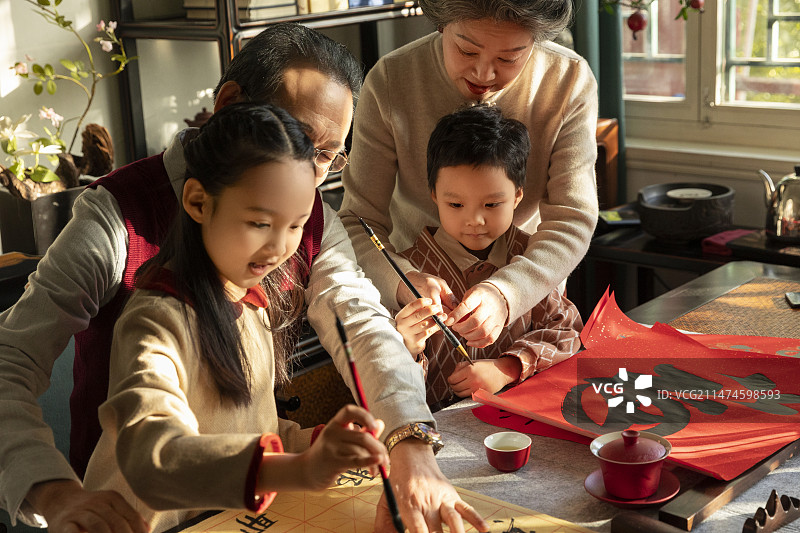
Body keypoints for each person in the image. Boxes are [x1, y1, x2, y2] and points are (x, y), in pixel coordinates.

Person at [0, 23, 487, 533]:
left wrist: (400, 441)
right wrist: (54, 494)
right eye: (296, 141)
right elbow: (15, 362)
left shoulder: (283, 250)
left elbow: (360, 326)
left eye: (326, 156)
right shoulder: (126, 234)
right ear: (230, 105)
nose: (282, 242)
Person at [81, 102, 389, 532]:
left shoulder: (250, 305)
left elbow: (243, 430)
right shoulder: (156, 321)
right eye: (260, 223)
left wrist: (319, 446)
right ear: (197, 202)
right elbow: (154, 459)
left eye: (296, 225)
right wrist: (300, 470)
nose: (280, 247)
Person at [339, 0, 599, 352]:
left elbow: (572, 218)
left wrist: (507, 292)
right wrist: (402, 280)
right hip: (416, 309)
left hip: (529, 295)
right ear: (442, 24)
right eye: (466, 50)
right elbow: (358, 221)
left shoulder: (566, 80)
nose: (484, 74)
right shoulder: (391, 80)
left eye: (509, 58)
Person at [393, 105, 583, 408]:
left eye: (492, 205)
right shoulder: (407, 273)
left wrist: (506, 368)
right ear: (433, 194)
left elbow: (568, 333)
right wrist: (408, 348)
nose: (475, 220)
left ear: (518, 195)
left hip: (522, 424)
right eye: (455, 204)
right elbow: (383, 387)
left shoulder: (533, 258)